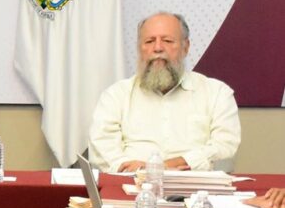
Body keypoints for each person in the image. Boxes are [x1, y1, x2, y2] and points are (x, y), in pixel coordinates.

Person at [89, 12, 241, 173]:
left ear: (186, 47)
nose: (158, 48)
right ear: (139, 48)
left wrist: (166, 166)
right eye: (149, 41)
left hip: (197, 185)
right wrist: (139, 171)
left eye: (167, 41)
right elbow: (102, 151)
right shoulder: (115, 96)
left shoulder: (217, 93)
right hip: (131, 184)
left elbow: (225, 147)